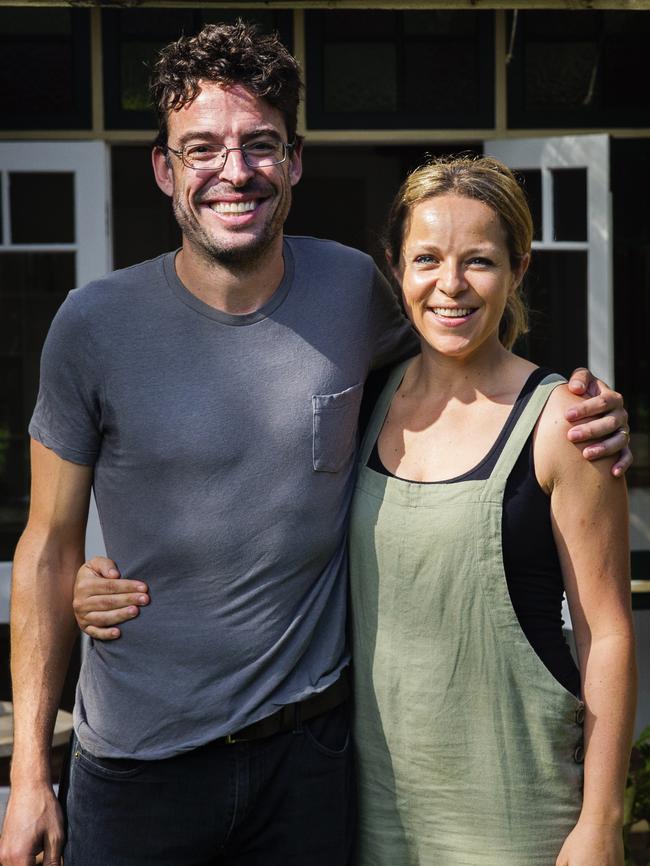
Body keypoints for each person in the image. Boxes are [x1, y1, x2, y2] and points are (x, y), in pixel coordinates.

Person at [0, 19, 630, 866]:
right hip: (140, 766)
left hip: (311, 760)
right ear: (164, 168)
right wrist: (34, 776)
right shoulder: (91, 326)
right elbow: (46, 544)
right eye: (202, 149)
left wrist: (581, 405)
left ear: (294, 162)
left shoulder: (352, 292)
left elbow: (463, 356)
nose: (235, 171)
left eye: (261, 145)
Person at [346, 156, 636, 865]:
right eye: (426, 259)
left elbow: (609, 636)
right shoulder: (361, 404)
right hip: (375, 811)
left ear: (518, 270)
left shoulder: (565, 423)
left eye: (479, 260)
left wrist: (600, 820)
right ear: (395, 269)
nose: (450, 284)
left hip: (517, 811)